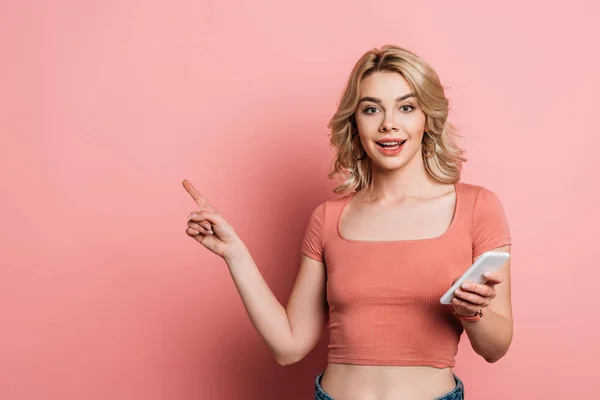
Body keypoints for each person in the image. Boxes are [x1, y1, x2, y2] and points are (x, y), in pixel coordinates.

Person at [182, 45, 513, 400]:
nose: (389, 123)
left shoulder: (477, 207)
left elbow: (495, 349)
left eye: (406, 107)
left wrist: (473, 313)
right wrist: (235, 253)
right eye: (372, 109)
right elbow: (288, 346)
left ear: (427, 119)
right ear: (355, 123)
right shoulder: (328, 218)